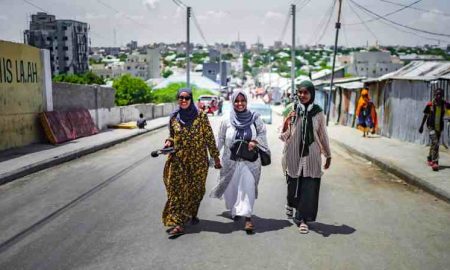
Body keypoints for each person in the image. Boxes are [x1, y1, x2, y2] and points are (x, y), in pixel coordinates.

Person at [162, 88, 222, 238]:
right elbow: (172, 136)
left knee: (196, 190)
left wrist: (216, 157)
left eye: (186, 98)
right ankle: (178, 223)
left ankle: (191, 212)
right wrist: (168, 142)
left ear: (191, 99)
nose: (183, 100)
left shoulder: (201, 116)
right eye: (180, 98)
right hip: (179, 159)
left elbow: (209, 138)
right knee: (176, 191)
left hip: (198, 160)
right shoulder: (174, 117)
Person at [210, 89, 270, 234]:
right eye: (237, 101)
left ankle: (248, 217)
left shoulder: (255, 118)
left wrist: (255, 141)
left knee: (248, 187)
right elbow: (221, 139)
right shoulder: (226, 119)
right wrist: (214, 158)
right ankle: (235, 209)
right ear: (232, 102)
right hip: (230, 161)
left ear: (247, 102)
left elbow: (262, 132)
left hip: (250, 161)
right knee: (231, 189)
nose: (240, 103)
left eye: (242, 101)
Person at [280, 80, 331, 234]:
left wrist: (328, 155)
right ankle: (290, 203)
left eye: (305, 92)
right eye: (300, 92)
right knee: (292, 186)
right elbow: (283, 136)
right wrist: (288, 121)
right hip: (294, 154)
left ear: (312, 94)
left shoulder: (318, 112)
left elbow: (322, 134)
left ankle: (303, 219)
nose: (302, 95)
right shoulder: (291, 109)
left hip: (312, 155)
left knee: (309, 188)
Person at [419, 88, 450, 171]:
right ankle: (435, 162)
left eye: (440, 94)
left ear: (442, 95)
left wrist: (449, 115)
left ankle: (429, 158)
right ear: (434, 95)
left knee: (434, 144)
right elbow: (425, 116)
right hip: (431, 126)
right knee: (436, 143)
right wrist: (421, 126)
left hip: (439, 127)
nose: (438, 96)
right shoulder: (430, 105)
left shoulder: (445, 104)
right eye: (437, 94)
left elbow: (449, 110)